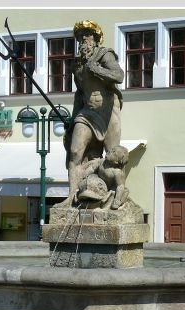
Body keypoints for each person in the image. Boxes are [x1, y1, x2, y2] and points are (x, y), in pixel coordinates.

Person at [56, 20, 125, 207]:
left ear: (95, 38)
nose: (82, 39)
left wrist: (97, 69)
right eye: (79, 36)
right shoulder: (76, 64)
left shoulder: (104, 54)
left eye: (86, 35)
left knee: (112, 157)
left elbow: (119, 75)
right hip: (86, 112)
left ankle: (116, 194)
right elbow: (79, 94)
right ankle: (71, 196)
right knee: (75, 151)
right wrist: (72, 118)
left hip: (109, 110)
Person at [77, 145, 130, 209]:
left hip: (110, 188)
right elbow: (93, 168)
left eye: (113, 152)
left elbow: (120, 186)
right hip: (99, 185)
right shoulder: (102, 162)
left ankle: (117, 202)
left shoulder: (117, 172)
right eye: (111, 149)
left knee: (121, 191)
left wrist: (117, 198)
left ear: (116, 161)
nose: (110, 151)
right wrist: (86, 174)